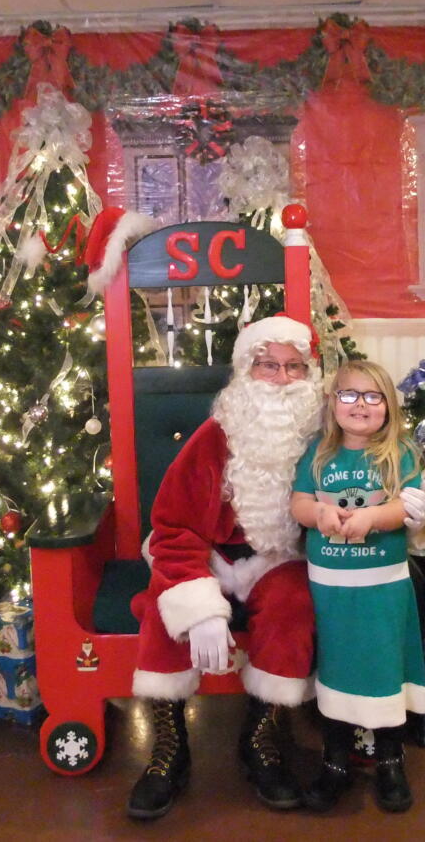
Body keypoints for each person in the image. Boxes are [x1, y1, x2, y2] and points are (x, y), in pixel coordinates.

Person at [127, 315, 324, 820]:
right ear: (245, 371)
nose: (281, 379)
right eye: (268, 366)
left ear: (309, 374)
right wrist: (198, 604)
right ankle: (170, 747)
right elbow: (172, 527)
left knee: (294, 605)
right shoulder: (215, 436)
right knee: (163, 610)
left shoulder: (322, 435)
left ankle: (260, 736)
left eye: (294, 367)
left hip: (280, 558)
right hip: (210, 554)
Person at [290, 359, 425, 813]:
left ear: (388, 406)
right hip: (330, 589)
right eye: (349, 394)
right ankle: (335, 761)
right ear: (333, 403)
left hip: (382, 589)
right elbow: (299, 501)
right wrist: (319, 513)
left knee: (384, 669)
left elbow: (408, 507)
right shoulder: (318, 453)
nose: (360, 405)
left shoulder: (400, 452)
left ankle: (390, 759)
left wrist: (374, 517)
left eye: (373, 396)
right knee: (336, 670)